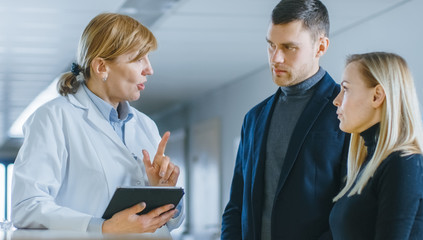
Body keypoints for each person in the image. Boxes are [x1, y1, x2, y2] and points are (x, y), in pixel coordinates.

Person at [11, 13, 184, 234]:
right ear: (101, 67)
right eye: (139, 58)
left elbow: (171, 222)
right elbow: (27, 206)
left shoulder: (146, 125)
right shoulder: (53, 118)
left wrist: (162, 191)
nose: (149, 69)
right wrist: (101, 228)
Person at [221, 0, 349, 239]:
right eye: (271, 45)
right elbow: (237, 205)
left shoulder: (345, 112)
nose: (276, 58)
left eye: (289, 47)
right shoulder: (254, 118)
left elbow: (349, 211)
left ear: (320, 47)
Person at [330, 52, 423, 239]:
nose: (337, 100)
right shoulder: (369, 164)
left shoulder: (404, 163)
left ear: (377, 96)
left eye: (346, 89)